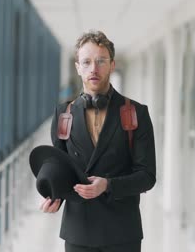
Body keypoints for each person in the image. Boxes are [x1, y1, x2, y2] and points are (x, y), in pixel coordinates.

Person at [39, 30, 156, 252]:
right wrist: (55, 196)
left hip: (122, 231)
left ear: (112, 65)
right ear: (78, 67)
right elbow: (62, 170)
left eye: (101, 61)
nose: (94, 68)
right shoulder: (64, 114)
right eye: (87, 62)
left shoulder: (136, 113)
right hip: (78, 231)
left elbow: (147, 177)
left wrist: (108, 185)